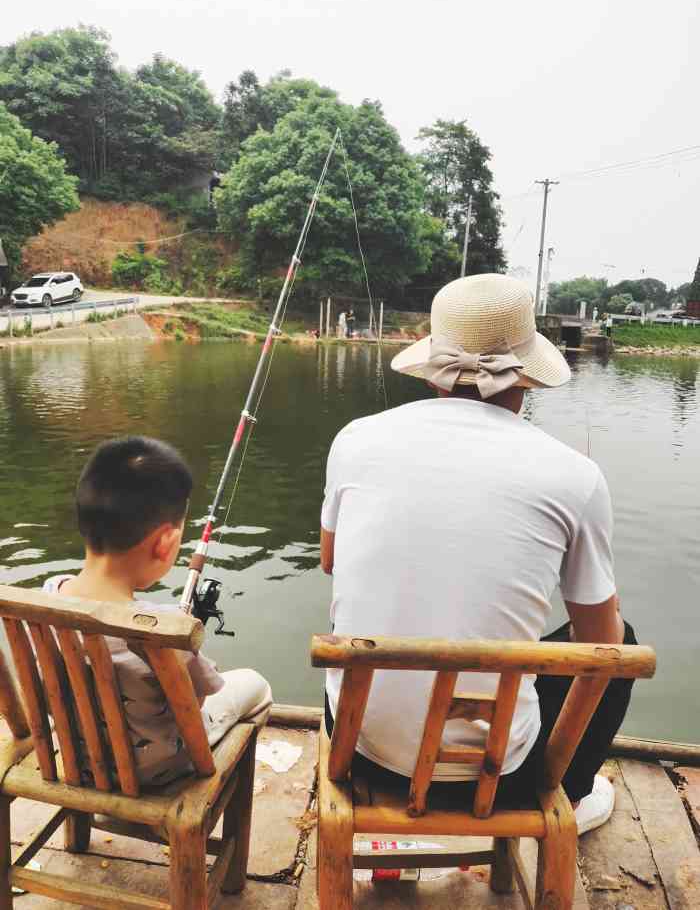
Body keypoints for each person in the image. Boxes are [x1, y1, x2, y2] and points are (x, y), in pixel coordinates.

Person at [320, 273, 637, 834]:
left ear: (435, 369)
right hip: (494, 775)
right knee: (622, 642)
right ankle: (571, 789)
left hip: (361, 749)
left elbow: (331, 561)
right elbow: (601, 644)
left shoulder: (354, 438)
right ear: (526, 374)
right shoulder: (575, 475)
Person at [44, 436, 272, 786]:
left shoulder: (47, 595)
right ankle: (206, 794)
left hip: (78, 762)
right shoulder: (163, 627)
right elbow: (194, 705)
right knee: (256, 686)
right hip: (154, 774)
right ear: (165, 544)